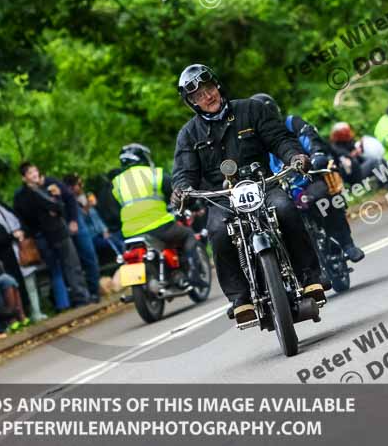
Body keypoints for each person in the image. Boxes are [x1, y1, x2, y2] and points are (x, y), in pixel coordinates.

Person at [171, 64, 324, 326]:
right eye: (199, 96)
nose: (207, 97)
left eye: (208, 89)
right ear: (192, 103)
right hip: (224, 198)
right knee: (218, 232)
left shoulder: (251, 110)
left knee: (286, 209)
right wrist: (181, 190)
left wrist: (295, 156)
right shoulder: (188, 134)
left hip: (263, 185)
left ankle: (311, 278)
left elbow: (280, 139)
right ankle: (240, 299)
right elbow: (184, 172)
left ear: (217, 86)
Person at [252, 94, 365, 263]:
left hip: (308, 180)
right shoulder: (251, 141)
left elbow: (311, 138)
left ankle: (347, 244)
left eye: (266, 113)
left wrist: (316, 154)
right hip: (277, 189)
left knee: (325, 199)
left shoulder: (292, 123)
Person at [111, 143, 206, 288]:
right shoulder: (155, 174)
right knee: (187, 235)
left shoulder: (116, 183)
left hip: (130, 233)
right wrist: (195, 206)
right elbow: (178, 194)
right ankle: (194, 274)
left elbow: (116, 207)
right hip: (158, 226)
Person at [14, 162, 91, 310]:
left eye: (35, 170)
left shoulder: (37, 190)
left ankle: (65, 303)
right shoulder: (36, 192)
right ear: (24, 178)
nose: (34, 174)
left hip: (45, 234)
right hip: (51, 232)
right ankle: (79, 298)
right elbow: (56, 206)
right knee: (68, 265)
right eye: (30, 173)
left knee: (59, 269)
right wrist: (55, 203)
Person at [0, 189, 47, 322]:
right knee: (14, 284)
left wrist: (22, 232)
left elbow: (19, 219)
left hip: (21, 250)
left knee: (30, 281)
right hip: (5, 257)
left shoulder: (2, 207)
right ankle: (20, 316)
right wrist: (12, 236)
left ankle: (36, 311)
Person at [63, 174, 102, 302]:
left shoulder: (78, 199)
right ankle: (92, 292)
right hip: (82, 234)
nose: (82, 187)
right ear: (71, 187)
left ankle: (94, 292)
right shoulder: (69, 199)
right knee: (88, 261)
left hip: (85, 234)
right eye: (79, 184)